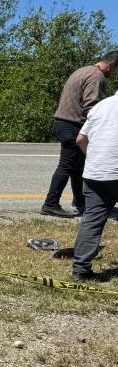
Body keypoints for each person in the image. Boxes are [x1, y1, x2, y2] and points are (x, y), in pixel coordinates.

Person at [41, 52, 118, 218]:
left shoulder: (82, 70)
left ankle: (81, 202)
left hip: (62, 122)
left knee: (78, 167)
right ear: (111, 65)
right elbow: (91, 106)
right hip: (73, 125)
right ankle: (50, 203)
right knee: (67, 166)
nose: (114, 75)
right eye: (116, 71)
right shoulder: (97, 77)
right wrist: (101, 127)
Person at [71, 92, 118, 281]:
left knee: (92, 221)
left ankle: (81, 269)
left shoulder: (101, 106)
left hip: (95, 173)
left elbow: (80, 139)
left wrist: (95, 158)